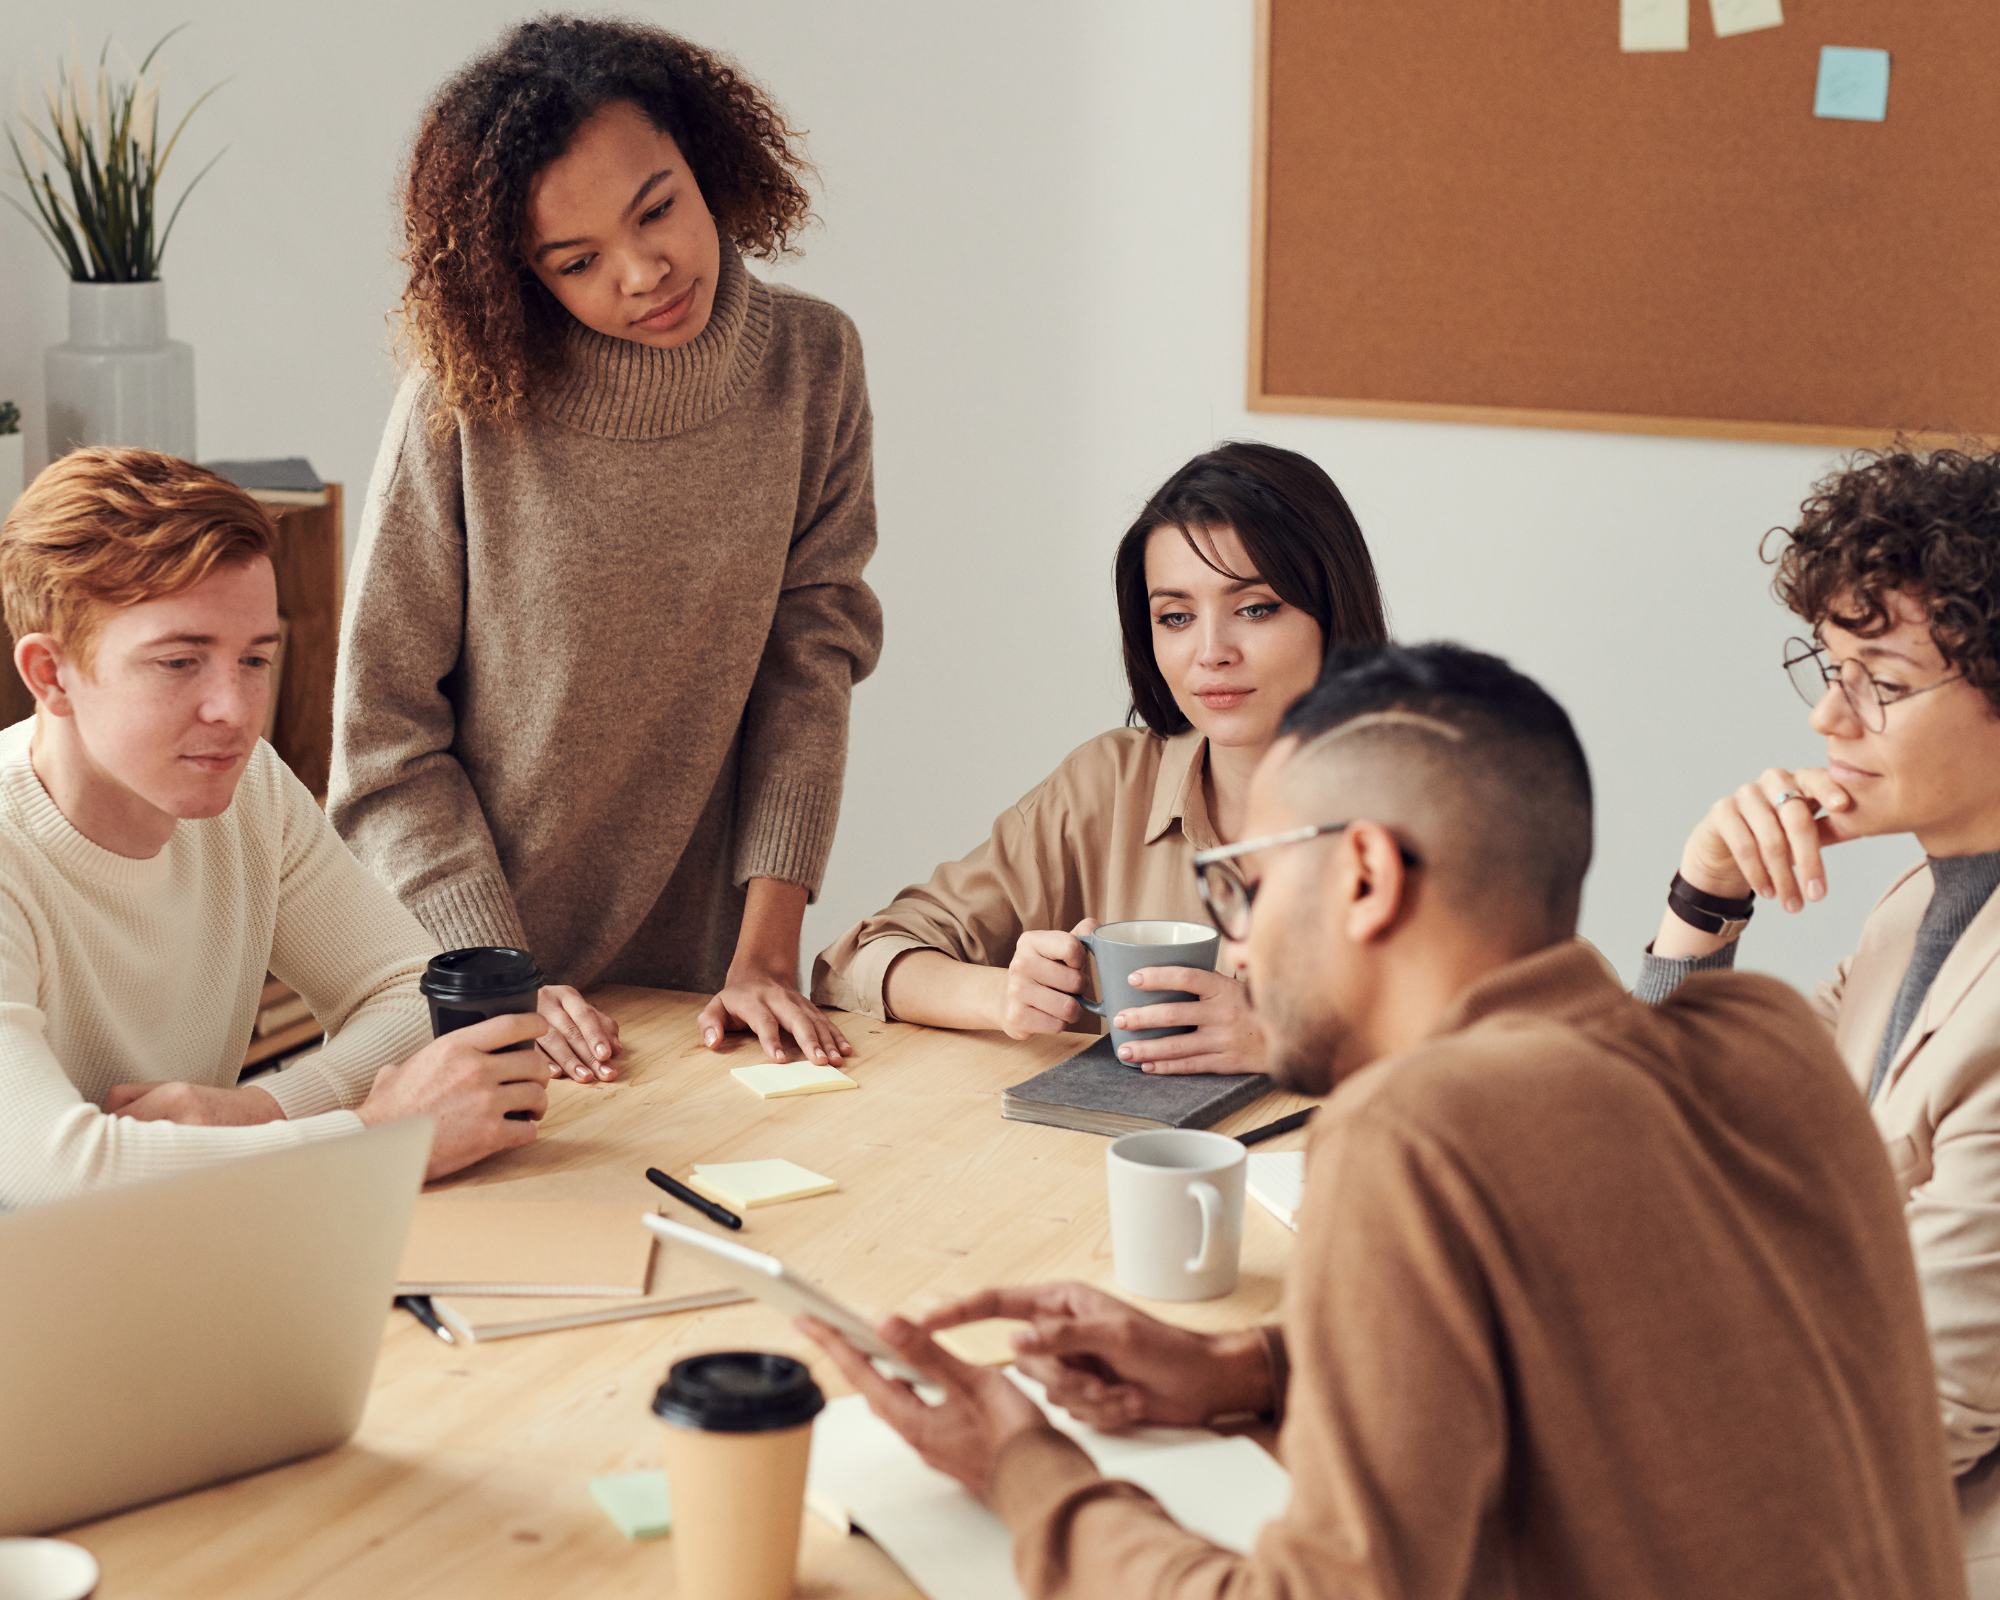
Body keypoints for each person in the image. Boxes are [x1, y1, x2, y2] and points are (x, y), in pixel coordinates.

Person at [804, 642, 1965, 1600]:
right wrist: (1245, 1367)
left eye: (1247, 886)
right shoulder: (1764, 1038)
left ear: (1362, 874)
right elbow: (1619, 1331)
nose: (1241, 941)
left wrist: (1024, 1472)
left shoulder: (1409, 1133)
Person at [330, 16, 882, 1078]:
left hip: (695, 1002)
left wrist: (765, 951)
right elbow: (384, 744)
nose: (642, 272)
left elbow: (808, 664)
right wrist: (503, 978)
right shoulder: (461, 408)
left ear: (705, 161)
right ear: (519, 273)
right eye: (577, 261)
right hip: (467, 1004)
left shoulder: (812, 365)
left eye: (658, 208)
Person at [0, 450, 621, 1208]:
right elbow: (53, 1177)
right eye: (179, 662)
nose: (233, 709)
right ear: (49, 674)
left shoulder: (248, 784)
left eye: (254, 658)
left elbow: (409, 994)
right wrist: (380, 1138)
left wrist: (266, 1110)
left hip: (172, 1252)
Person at [1634, 445, 2000, 1592]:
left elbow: (1914, 1412)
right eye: (1826, 667)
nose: (1827, 720)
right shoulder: (1925, 898)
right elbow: (1677, 1134)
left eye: (1879, 682)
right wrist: (1701, 897)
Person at [812, 442, 1386, 1075]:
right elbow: (856, 964)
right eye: (1175, 616)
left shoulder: (1434, 802)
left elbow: (1505, 1056)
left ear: (1333, 611)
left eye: (1255, 608)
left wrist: (1280, 1038)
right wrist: (1001, 993)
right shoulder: (1109, 785)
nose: (1211, 651)